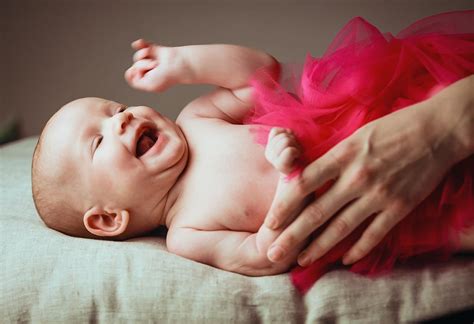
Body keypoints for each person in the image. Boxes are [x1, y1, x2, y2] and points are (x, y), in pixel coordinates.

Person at [32, 11, 474, 292]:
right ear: (109, 218)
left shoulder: (197, 120)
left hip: (369, 126)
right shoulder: (188, 234)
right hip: (366, 212)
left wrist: (185, 64)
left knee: (434, 90)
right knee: (452, 225)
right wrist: (288, 183)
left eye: (118, 108)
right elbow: (266, 254)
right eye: (99, 140)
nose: (121, 120)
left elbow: (259, 76)